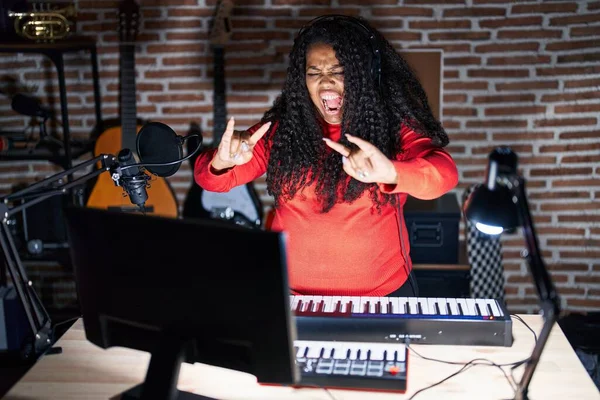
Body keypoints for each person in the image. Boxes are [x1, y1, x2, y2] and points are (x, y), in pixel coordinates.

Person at [194, 14, 458, 297]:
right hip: (294, 299)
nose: (326, 82)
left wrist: (391, 173)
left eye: (339, 70)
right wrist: (224, 161)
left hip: (382, 296)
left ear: (362, 74)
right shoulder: (284, 130)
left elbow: (444, 175)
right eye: (314, 72)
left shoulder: (391, 127)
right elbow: (210, 181)